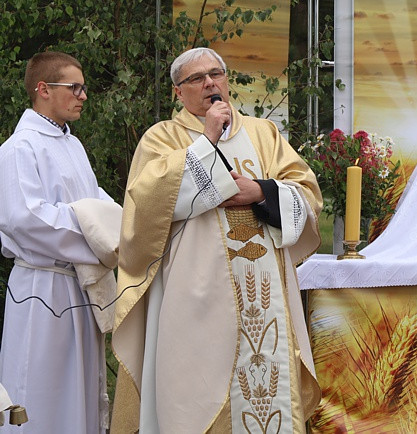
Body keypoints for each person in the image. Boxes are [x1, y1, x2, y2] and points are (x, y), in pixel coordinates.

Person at [111, 47, 323, 433]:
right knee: (197, 392)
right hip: (194, 296)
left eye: (217, 74)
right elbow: (144, 208)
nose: (210, 83)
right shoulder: (162, 138)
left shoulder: (263, 133)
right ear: (178, 92)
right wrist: (207, 139)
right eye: (197, 78)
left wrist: (261, 192)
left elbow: (306, 191)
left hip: (265, 292)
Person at [0, 51, 115, 433]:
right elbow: (24, 219)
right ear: (43, 89)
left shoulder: (72, 146)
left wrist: (121, 226)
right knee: (40, 388)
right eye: (74, 87)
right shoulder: (20, 148)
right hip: (42, 288)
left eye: (84, 88)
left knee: (78, 390)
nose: (83, 96)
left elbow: (96, 202)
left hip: (80, 284)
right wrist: (96, 235)